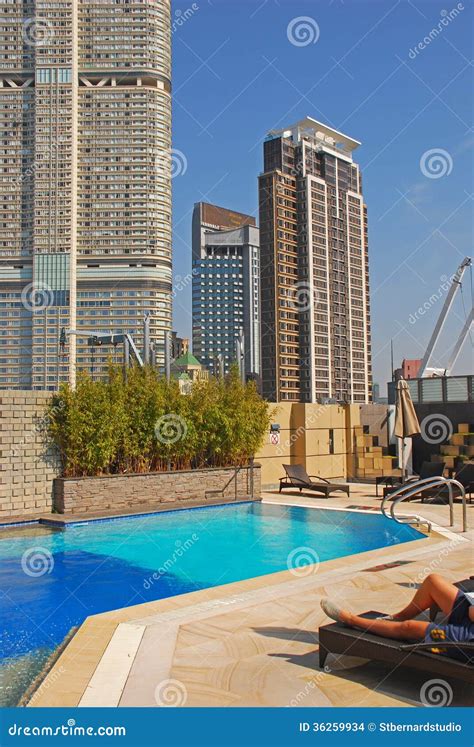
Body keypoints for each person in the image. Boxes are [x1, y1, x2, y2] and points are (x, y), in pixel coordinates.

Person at [320, 573, 474, 663]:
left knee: (409, 628)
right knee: (432, 581)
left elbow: (471, 614)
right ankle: (398, 618)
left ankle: (350, 619)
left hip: (467, 642)